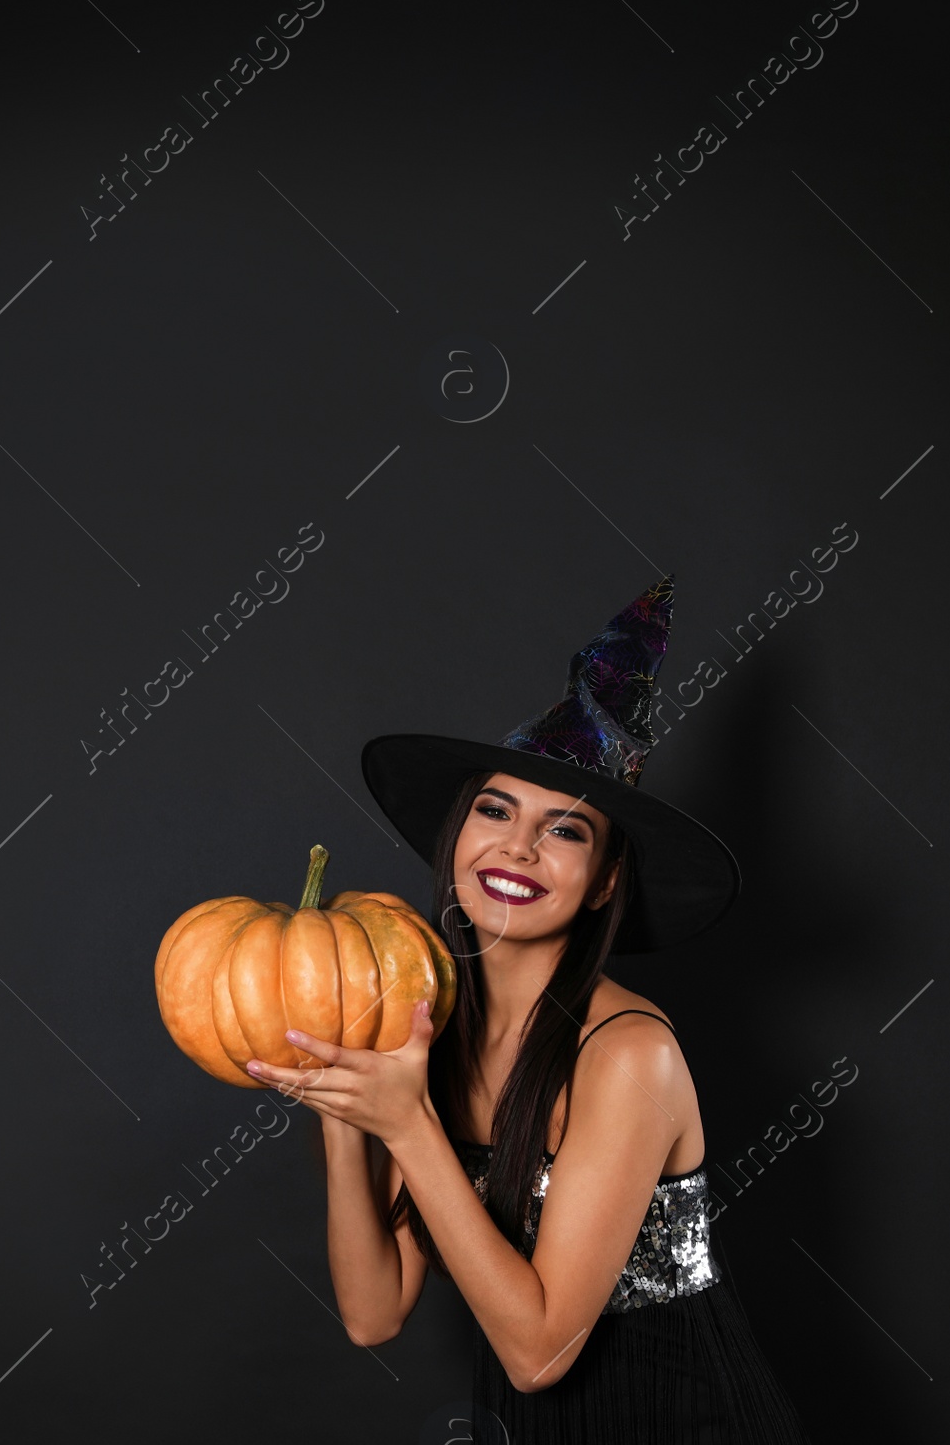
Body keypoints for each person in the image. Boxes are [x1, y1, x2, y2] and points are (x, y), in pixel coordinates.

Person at [243, 578, 813, 1441]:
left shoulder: (630, 1054)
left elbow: (540, 1353)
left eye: (566, 829)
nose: (518, 846)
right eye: (495, 809)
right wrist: (344, 1107)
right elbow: (373, 1313)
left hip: (683, 1423)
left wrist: (408, 1127)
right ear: (457, 836)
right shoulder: (420, 1027)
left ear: (605, 883)